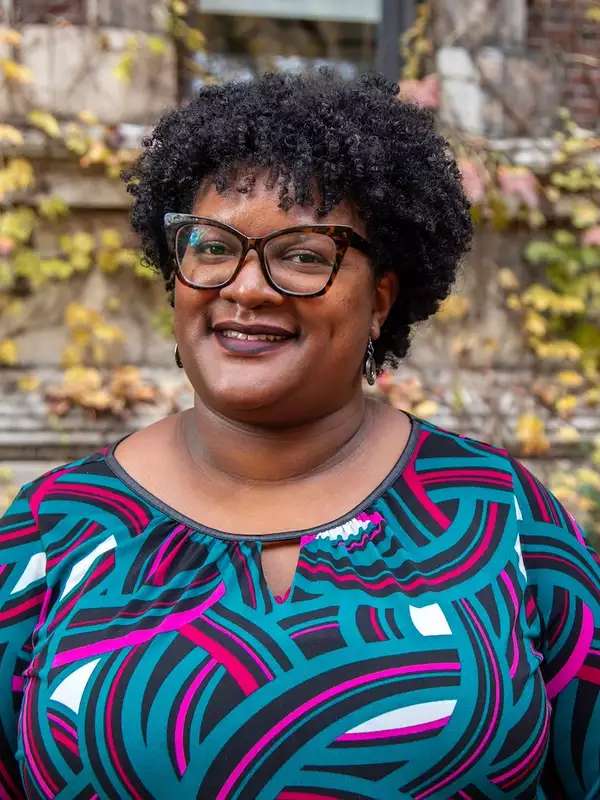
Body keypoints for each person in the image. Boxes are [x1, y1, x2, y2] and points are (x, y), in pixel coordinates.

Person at [0, 69, 598, 800]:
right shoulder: (55, 529)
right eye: (212, 247)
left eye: (303, 255)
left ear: (381, 299)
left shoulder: (496, 516)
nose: (245, 287)